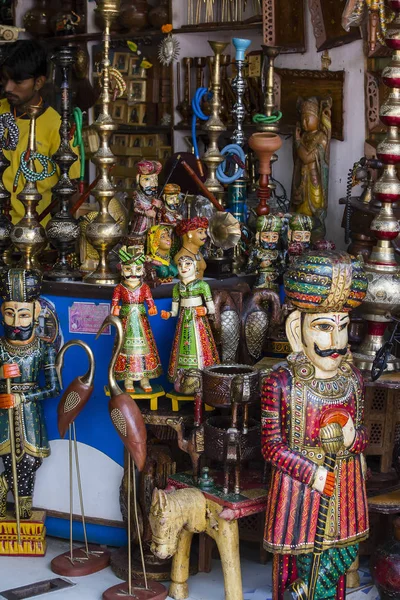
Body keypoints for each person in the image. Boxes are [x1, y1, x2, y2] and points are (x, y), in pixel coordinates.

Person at [261, 251, 369, 600]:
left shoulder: (353, 380)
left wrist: (354, 439)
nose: (336, 342)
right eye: (323, 327)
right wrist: (313, 473)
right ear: (298, 329)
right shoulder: (280, 382)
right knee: (296, 560)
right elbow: (272, 447)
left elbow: (363, 434)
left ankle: (311, 592)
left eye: (343, 327)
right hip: (300, 488)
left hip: (346, 487)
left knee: (342, 552)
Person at [0, 268, 60, 520]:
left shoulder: (43, 349)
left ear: (36, 312)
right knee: (10, 460)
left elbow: (54, 388)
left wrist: (23, 397)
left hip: (29, 413)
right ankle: (20, 512)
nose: (15, 324)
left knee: (31, 462)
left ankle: (8, 492)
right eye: (9, 314)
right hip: (4, 414)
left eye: (23, 315)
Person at [0, 40, 80, 225]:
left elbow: (72, 189)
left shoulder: (59, 127)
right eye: (4, 79)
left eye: (18, 81)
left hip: (33, 234)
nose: (8, 88)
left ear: (39, 82)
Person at [111, 246, 162, 394]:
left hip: (141, 320)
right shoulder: (119, 288)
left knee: (144, 348)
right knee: (126, 349)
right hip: (126, 320)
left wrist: (152, 307)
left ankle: (144, 379)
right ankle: (128, 380)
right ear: (122, 270)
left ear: (142, 271)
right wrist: (115, 309)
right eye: (128, 269)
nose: (133, 273)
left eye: (137, 269)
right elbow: (115, 303)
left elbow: (149, 300)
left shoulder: (144, 287)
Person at [161, 255, 219, 381]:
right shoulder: (177, 287)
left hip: (198, 320)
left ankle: (202, 379)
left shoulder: (203, 285)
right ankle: (183, 380)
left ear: (195, 267)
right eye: (180, 264)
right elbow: (175, 310)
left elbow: (212, 308)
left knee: (200, 347)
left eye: (187, 264)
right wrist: (169, 314)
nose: (183, 267)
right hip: (183, 320)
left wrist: (205, 310)